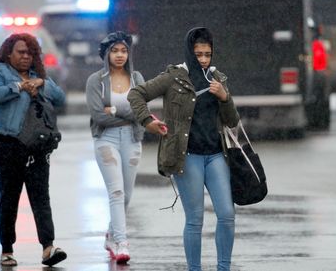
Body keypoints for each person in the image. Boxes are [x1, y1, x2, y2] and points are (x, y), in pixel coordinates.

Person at [128, 27, 240, 271]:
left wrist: (224, 97)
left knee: (227, 215)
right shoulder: (174, 77)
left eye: (207, 54)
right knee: (195, 220)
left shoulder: (217, 77)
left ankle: (224, 268)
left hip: (215, 155)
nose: (203, 59)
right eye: (198, 54)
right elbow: (136, 94)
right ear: (190, 52)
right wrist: (149, 121)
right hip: (187, 156)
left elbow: (232, 121)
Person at [0, 33, 67, 267]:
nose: (25, 57)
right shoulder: (0, 71)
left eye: (30, 53)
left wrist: (42, 84)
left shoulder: (39, 76)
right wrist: (19, 86)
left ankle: (48, 247)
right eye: (21, 52)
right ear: (9, 53)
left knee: (41, 197)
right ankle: (7, 249)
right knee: (9, 197)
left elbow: (60, 98)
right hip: (8, 143)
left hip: (38, 146)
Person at [86, 31, 145, 264]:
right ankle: (121, 241)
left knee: (127, 195)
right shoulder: (96, 80)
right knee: (116, 192)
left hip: (132, 139)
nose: (119, 55)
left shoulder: (138, 78)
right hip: (106, 140)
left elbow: (141, 112)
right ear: (106, 54)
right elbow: (98, 117)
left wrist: (115, 111)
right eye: (114, 50)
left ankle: (111, 234)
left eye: (123, 50)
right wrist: (127, 114)